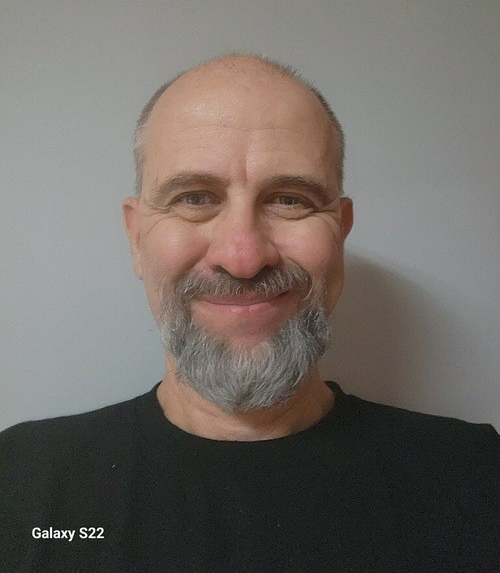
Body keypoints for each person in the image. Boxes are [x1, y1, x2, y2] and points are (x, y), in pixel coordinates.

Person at [1, 55, 498, 571]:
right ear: (136, 236)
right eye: (195, 198)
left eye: (290, 200)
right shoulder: (20, 480)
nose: (244, 257)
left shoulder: (476, 476)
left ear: (341, 230)